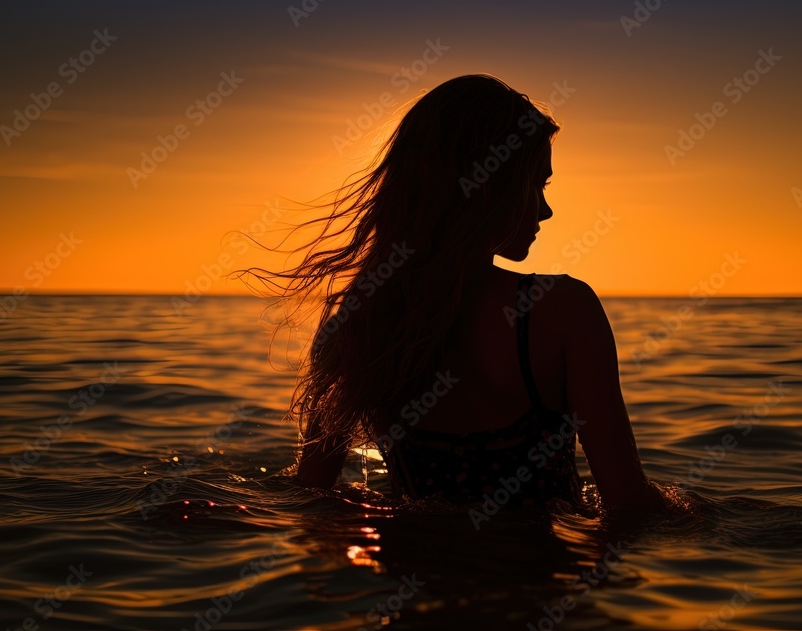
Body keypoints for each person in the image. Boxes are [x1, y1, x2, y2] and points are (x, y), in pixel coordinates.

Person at [264, 74, 665, 519]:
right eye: (538, 185)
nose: (546, 209)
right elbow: (630, 507)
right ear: (490, 185)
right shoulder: (563, 310)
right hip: (537, 578)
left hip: (411, 579)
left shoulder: (362, 319)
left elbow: (307, 497)